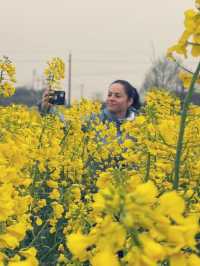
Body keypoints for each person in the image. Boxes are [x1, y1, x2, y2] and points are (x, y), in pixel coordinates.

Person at [39, 80, 141, 136]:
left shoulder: (139, 126)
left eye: (117, 96)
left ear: (130, 101)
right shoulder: (95, 120)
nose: (111, 99)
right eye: (109, 95)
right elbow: (68, 125)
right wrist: (48, 110)